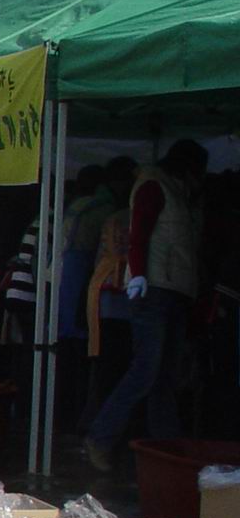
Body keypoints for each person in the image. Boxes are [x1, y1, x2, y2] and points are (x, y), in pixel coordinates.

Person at [86, 139, 210, 470]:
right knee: (145, 371)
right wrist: (138, 274)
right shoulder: (155, 186)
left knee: (163, 377)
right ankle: (101, 436)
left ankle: (165, 451)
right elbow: (139, 233)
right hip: (153, 289)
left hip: (173, 290)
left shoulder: (178, 193)